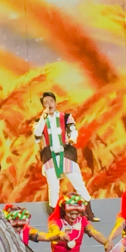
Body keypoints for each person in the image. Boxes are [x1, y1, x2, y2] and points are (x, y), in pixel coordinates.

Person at [33, 91, 98, 221]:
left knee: (78, 183)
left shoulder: (66, 117)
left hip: (66, 154)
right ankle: (55, 216)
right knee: (53, 187)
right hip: (49, 156)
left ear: (55, 103)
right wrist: (43, 117)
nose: (49, 104)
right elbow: (37, 134)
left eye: (51, 101)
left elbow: (73, 130)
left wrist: (72, 138)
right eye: (46, 103)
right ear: (43, 106)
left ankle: (89, 213)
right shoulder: (39, 121)